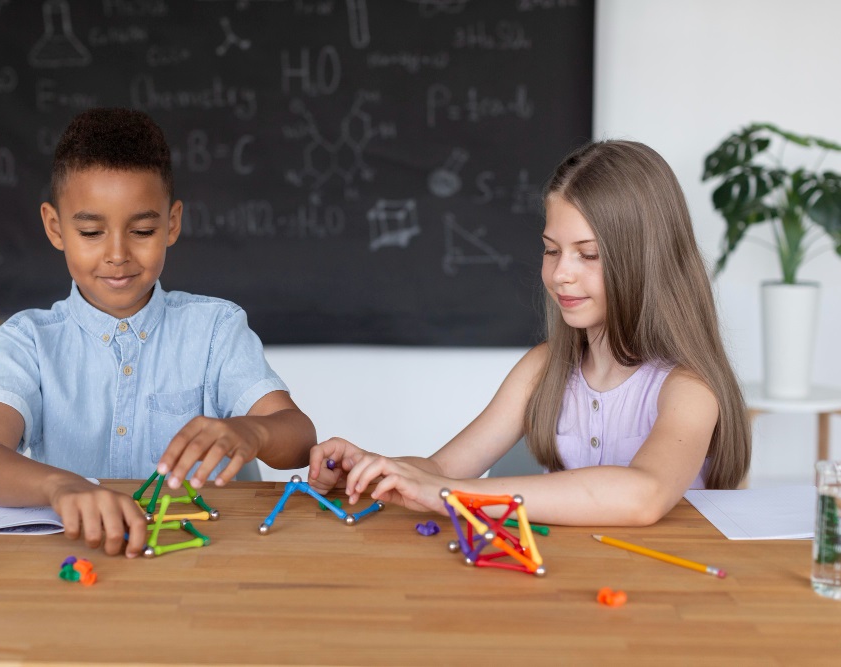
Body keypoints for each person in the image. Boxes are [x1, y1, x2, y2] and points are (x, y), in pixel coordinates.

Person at [308, 140, 750, 526]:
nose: (561, 275)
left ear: (646, 260)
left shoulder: (688, 387)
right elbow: (444, 466)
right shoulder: (543, 367)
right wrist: (373, 471)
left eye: (588, 254)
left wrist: (450, 495)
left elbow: (644, 494)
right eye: (551, 250)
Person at [0, 108, 316, 556]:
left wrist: (253, 432)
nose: (117, 254)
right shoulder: (28, 339)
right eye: (90, 231)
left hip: (204, 563)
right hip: (84, 560)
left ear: (172, 224)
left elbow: (299, 438)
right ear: (54, 227)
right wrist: (62, 486)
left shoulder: (215, 329)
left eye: (142, 230)